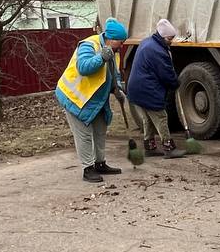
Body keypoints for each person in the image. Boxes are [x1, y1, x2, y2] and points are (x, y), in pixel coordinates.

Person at [55, 18, 127, 184]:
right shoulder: (89, 45)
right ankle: (88, 169)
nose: (121, 46)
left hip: (96, 98)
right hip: (76, 97)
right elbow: (84, 67)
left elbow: (113, 72)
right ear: (110, 38)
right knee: (84, 135)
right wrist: (101, 57)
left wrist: (117, 88)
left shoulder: (113, 50)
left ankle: (100, 163)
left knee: (100, 130)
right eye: (120, 42)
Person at [126, 18, 185, 159]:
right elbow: (166, 73)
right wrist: (175, 83)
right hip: (147, 90)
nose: (171, 41)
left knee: (147, 118)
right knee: (161, 117)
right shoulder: (157, 51)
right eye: (170, 38)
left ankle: (149, 147)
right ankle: (169, 148)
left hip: (135, 89)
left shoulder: (147, 42)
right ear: (163, 37)